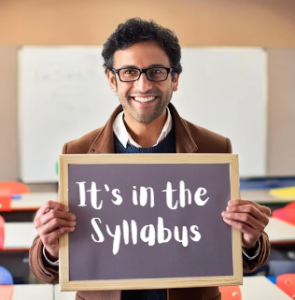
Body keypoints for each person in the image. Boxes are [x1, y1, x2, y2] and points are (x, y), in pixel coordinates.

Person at [29, 18, 271, 300]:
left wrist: (249, 240)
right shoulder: (78, 153)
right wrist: (51, 248)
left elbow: (242, 258)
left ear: (174, 79)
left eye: (156, 71)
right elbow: (45, 270)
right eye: (129, 71)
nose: (143, 85)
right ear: (112, 80)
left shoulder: (214, 148)